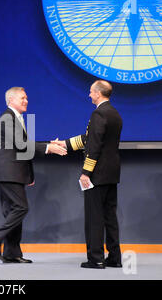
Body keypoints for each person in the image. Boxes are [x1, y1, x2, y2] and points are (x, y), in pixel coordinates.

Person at [0, 86, 66, 263]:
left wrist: (28, 174)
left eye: (26, 98)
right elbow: (22, 144)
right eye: (22, 98)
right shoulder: (8, 118)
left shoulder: (16, 118)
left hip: (13, 173)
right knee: (21, 208)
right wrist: (48, 148)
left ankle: (12, 254)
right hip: (8, 172)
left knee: (12, 212)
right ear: (11, 100)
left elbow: (20, 148)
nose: (26, 101)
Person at [53, 80, 123, 269]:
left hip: (97, 174)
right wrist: (65, 144)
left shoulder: (99, 113)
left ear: (98, 93)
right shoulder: (114, 113)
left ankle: (96, 258)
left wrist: (86, 172)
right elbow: (89, 138)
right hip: (111, 173)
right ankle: (115, 257)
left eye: (91, 92)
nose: (89, 95)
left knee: (94, 217)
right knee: (110, 216)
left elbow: (94, 146)